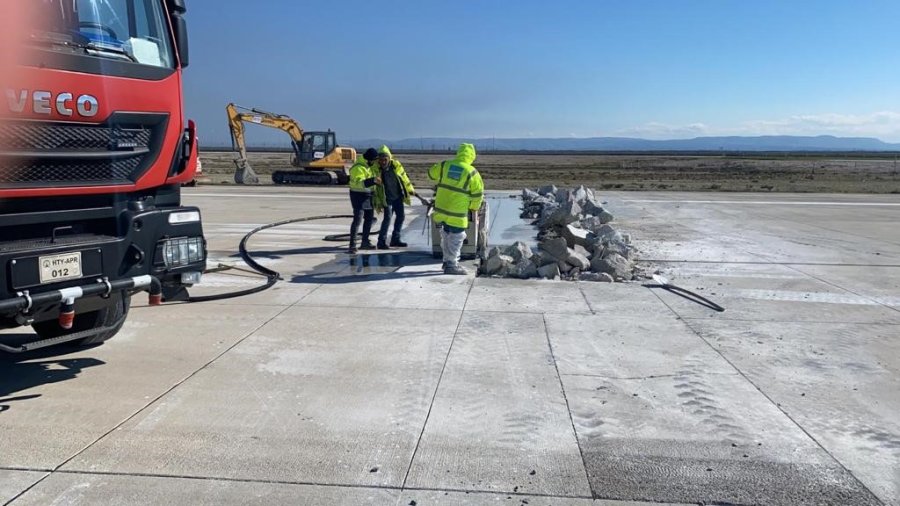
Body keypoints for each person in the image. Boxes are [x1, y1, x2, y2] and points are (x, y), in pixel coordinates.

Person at [428, 143, 484, 275]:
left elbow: (431, 174)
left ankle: (447, 261)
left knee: (446, 235)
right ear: (472, 156)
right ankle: (452, 265)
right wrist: (473, 208)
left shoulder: (445, 165)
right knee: (457, 238)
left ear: (458, 153)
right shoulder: (472, 172)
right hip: (457, 213)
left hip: (441, 209)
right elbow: (477, 194)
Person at [372, 145, 415, 249]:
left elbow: (404, 178)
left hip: (397, 197)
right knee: (387, 218)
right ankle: (381, 242)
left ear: (389, 158)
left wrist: (410, 190)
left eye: (385, 159)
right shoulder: (376, 169)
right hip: (387, 199)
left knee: (401, 217)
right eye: (381, 160)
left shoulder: (396, 166)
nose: (383, 162)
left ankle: (395, 239)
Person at [347, 148, 380, 254]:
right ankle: (352, 245)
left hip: (368, 196)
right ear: (369, 159)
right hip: (358, 196)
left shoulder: (368, 167)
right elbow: (359, 183)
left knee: (369, 219)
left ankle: (365, 241)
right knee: (358, 220)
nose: (375, 162)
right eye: (374, 160)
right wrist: (373, 181)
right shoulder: (358, 168)